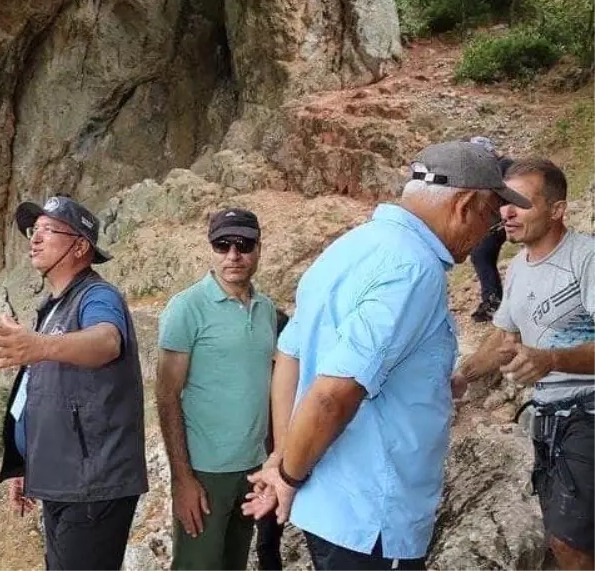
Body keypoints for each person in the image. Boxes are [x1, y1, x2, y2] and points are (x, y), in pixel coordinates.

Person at [243, 140, 530, 570]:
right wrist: (285, 477)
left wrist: (283, 456)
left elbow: (291, 356)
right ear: (465, 205)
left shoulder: (350, 247)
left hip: (333, 506)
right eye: (491, 218)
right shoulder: (413, 269)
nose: (487, 237)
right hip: (373, 520)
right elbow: (332, 394)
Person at [0, 195, 148, 571]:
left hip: (93, 484)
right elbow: (42, 394)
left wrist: (38, 344)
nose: (34, 239)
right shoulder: (55, 306)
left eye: (47, 231)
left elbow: (106, 341)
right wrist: (26, 464)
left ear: (80, 246)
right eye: (32, 231)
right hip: (62, 478)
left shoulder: (96, 296)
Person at [452, 158, 595, 570]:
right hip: (548, 419)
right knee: (559, 535)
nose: (507, 212)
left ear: (557, 209)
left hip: (588, 412)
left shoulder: (585, 258)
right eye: (504, 202)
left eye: (521, 203)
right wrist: (463, 376)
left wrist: (552, 358)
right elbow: (504, 337)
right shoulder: (516, 268)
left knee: (570, 542)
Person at [156, 208, 278, 571]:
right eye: (222, 245)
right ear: (211, 248)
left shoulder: (267, 309)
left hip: (252, 471)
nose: (233, 255)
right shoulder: (186, 308)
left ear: (258, 247)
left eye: (243, 244)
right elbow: (166, 396)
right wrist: (183, 479)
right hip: (205, 473)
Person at [255, 308, 290, 571]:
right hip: (269, 465)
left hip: (275, 465)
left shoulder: (287, 379)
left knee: (267, 542)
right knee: (267, 542)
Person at [467, 137, 514, 322]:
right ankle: (493, 300)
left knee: (481, 255)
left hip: (507, 219)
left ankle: (493, 302)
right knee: (481, 255)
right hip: (501, 220)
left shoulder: (504, 167)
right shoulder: (499, 167)